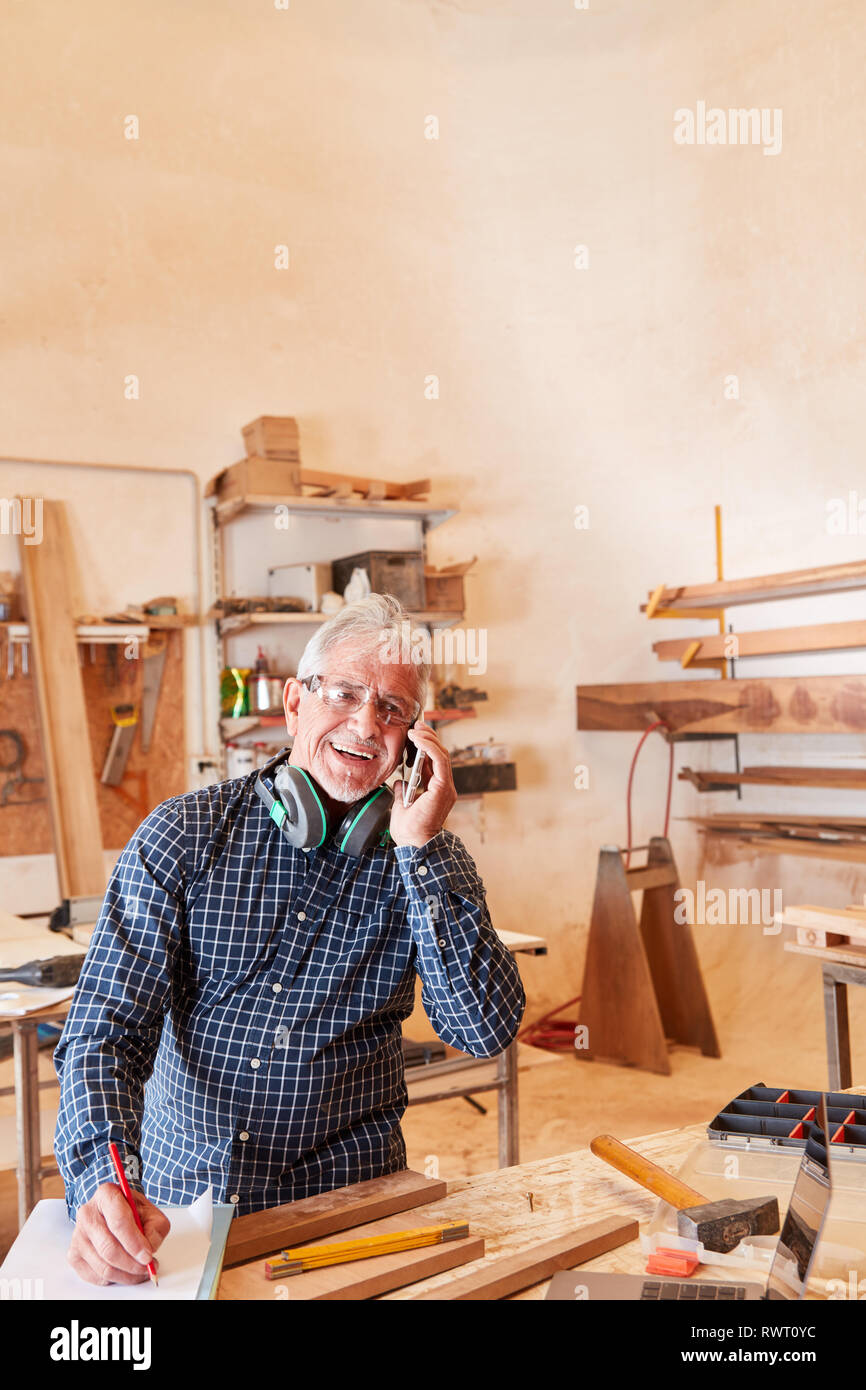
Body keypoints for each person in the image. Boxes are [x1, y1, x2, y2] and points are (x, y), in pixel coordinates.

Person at [54, 593, 525, 1286]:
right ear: (294, 703)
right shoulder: (182, 836)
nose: (367, 722)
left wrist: (419, 853)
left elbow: (482, 1032)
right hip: (187, 1208)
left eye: (392, 709)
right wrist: (103, 1179)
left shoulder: (424, 855)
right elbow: (104, 1032)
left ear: (413, 741)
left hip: (352, 1209)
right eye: (344, 693)